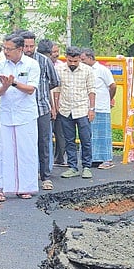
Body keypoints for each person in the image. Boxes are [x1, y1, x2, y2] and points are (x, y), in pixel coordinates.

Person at [0, 33, 40, 201]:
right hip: (7, 113)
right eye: (4, 48)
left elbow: (31, 89)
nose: (6, 52)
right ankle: (1, 187)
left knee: (26, 151)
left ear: (20, 49)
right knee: (5, 151)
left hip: (26, 114)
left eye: (9, 49)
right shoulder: (0, 65)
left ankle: (25, 187)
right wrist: (4, 86)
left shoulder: (32, 65)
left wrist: (13, 83)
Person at [23, 32, 59, 191]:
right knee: (24, 143)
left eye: (31, 46)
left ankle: (45, 177)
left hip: (41, 108)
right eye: (26, 46)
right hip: (23, 111)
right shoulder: (16, 62)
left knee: (44, 142)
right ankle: (26, 176)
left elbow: (54, 81)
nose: (29, 49)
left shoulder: (44, 61)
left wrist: (42, 94)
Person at [55, 46, 95, 179]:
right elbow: (57, 90)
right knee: (69, 140)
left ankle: (87, 167)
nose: (72, 64)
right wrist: (56, 107)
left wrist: (91, 109)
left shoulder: (87, 70)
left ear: (79, 59)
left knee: (86, 139)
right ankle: (72, 167)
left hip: (82, 110)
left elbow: (91, 90)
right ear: (66, 58)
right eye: (70, 61)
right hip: (65, 109)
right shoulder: (59, 69)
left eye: (75, 61)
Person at [80, 48, 116, 169]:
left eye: (83, 59)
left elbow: (112, 85)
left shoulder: (102, 70)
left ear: (90, 58)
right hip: (87, 107)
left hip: (101, 106)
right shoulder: (84, 71)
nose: (81, 61)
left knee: (103, 134)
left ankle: (107, 159)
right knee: (90, 134)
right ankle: (93, 158)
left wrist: (109, 99)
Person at [47, 42, 67, 167]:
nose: (56, 54)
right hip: (47, 104)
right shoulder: (42, 65)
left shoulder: (61, 66)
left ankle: (60, 157)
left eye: (57, 51)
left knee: (60, 133)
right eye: (53, 52)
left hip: (60, 103)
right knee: (47, 133)